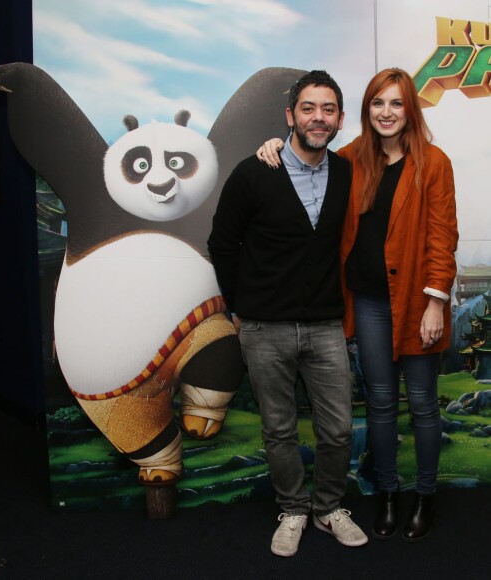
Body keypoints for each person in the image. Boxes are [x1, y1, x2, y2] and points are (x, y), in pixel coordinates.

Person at [257, 68, 458, 543]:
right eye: (377, 104)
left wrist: (435, 303)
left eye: (396, 103)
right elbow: (303, 158)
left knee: (425, 407)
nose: (387, 113)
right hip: (368, 303)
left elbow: (442, 238)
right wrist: (272, 147)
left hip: (416, 302)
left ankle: (424, 497)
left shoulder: (434, 162)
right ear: (365, 112)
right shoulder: (349, 159)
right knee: (383, 406)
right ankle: (387, 496)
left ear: (411, 109)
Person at [208, 70, 368, 558]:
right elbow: (222, 243)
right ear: (290, 115)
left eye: (328, 109)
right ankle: (293, 510)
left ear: (339, 118)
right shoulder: (256, 171)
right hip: (264, 327)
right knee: (277, 428)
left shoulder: (346, 171)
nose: (318, 118)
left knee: (337, 428)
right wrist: (240, 306)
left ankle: (328, 508)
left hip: (324, 324)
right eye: (308, 108)